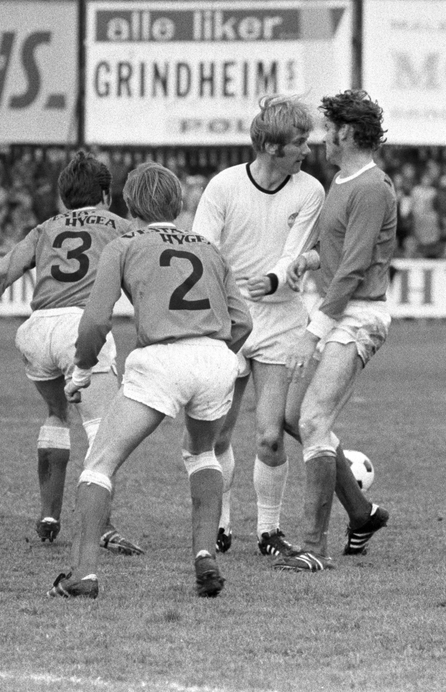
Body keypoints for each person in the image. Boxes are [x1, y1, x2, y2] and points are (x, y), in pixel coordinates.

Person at [190, 95, 383, 560]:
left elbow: (297, 251)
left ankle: (269, 531)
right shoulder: (224, 187)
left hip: (281, 320)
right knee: (218, 436)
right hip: (227, 319)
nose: (309, 148)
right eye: (299, 141)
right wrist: (227, 294)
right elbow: (202, 249)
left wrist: (278, 278)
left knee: (272, 434)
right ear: (272, 147)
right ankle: (222, 524)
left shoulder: (312, 189)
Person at [48, 162, 253, 599]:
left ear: (130, 204)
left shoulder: (124, 245)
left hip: (161, 359)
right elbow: (244, 321)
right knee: (202, 455)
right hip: (217, 359)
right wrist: (215, 357)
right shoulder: (209, 248)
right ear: (177, 204)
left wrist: (82, 369)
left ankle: (83, 574)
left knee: (99, 464)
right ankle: (204, 554)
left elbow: (95, 320)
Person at [0, 152, 142, 555]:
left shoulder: (45, 228)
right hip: (80, 325)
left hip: (37, 329)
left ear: (64, 197)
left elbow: (0, 274)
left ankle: (48, 516)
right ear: (106, 195)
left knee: (57, 414)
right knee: (103, 429)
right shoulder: (120, 227)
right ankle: (103, 526)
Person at [273, 89, 397, 572]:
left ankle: (313, 546)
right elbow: (337, 251)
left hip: (358, 315)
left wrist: (312, 331)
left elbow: (355, 265)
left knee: (311, 420)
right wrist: (306, 260)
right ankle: (362, 514)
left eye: (326, 130)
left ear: (346, 133)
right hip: (335, 309)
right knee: (291, 416)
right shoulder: (345, 182)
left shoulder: (371, 187)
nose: (321, 140)